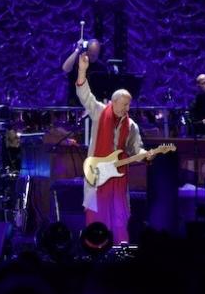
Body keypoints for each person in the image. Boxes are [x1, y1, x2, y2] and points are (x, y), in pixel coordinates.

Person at [76, 54, 154, 243]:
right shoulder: (100, 112)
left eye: (129, 105)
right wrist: (82, 70)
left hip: (118, 178)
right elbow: (85, 96)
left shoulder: (132, 125)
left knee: (120, 218)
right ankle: (95, 249)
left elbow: (136, 149)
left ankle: (120, 254)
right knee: (96, 216)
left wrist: (145, 155)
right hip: (98, 175)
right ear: (114, 102)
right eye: (124, 104)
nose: (127, 108)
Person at [62, 38, 109, 105]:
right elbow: (65, 68)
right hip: (76, 104)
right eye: (92, 54)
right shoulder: (78, 61)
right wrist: (77, 50)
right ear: (87, 51)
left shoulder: (101, 67)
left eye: (96, 55)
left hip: (93, 105)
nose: (93, 57)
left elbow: (105, 89)